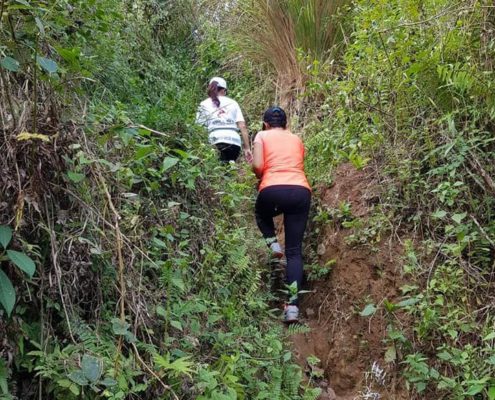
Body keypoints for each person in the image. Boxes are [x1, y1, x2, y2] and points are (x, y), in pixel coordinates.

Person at [252, 106, 311, 323]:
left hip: (272, 189)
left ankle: (273, 245)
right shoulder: (296, 139)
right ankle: (293, 307)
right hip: (300, 190)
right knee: (295, 252)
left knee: (261, 213)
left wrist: (256, 169)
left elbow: (258, 166)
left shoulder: (262, 135)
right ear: (286, 124)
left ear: (266, 124)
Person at [196, 77, 252, 163]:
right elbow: (242, 126)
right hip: (234, 141)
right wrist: (247, 148)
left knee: (216, 171)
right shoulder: (233, 102)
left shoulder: (203, 104)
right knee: (229, 169)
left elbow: (199, 128)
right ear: (223, 90)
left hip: (214, 140)